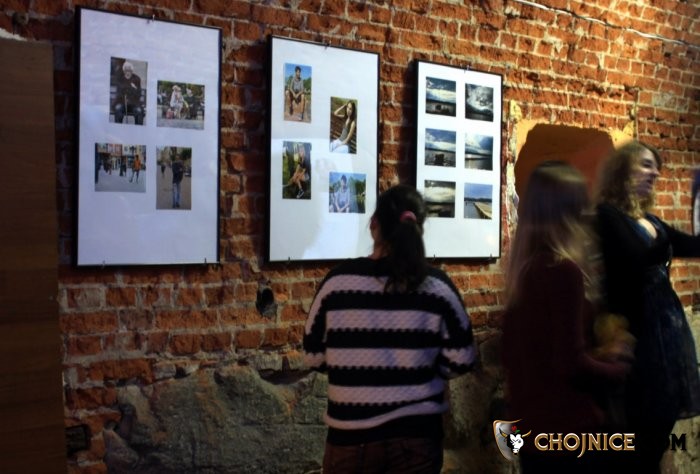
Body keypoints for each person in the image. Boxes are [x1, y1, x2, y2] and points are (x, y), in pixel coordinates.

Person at [304, 184, 477, 474]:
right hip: (417, 438)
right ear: (419, 228)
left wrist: (353, 365)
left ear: (374, 225)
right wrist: (421, 368)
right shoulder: (437, 287)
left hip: (350, 441)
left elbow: (312, 356)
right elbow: (463, 358)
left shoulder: (337, 284)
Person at [502, 161, 631, 474]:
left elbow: (530, 351)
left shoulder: (523, 267)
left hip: (531, 428)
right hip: (566, 426)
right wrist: (619, 368)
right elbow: (569, 362)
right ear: (568, 210)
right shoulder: (563, 270)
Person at [595, 140, 700, 472]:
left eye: (656, 166)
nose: (655, 173)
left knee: (660, 425)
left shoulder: (651, 220)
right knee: (640, 431)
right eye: (645, 164)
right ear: (622, 170)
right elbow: (634, 259)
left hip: (668, 336)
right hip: (638, 335)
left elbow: (692, 245)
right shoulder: (607, 215)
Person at [113, 61, 144, 125]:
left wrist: (134, 88)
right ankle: (118, 128)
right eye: (126, 70)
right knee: (118, 109)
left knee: (139, 111)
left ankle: (139, 130)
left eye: (129, 70)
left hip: (134, 103)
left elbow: (139, 94)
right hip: (122, 102)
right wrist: (124, 98)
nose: (128, 72)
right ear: (124, 71)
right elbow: (119, 92)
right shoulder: (120, 79)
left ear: (132, 71)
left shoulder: (137, 79)